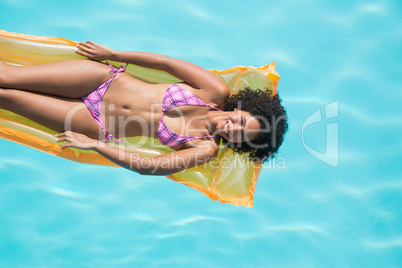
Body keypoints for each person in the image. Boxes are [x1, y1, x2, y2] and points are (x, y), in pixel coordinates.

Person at [0, 41, 288, 175]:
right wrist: (113, 54)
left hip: (95, 123)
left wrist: (93, 145)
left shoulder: (204, 149)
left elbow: (148, 166)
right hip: (103, 80)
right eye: (241, 120)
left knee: (6, 98)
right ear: (243, 108)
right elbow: (165, 62)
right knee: (6, 77)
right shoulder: (214, 91)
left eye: (240, 134)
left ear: (240, 145)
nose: (233, 127)